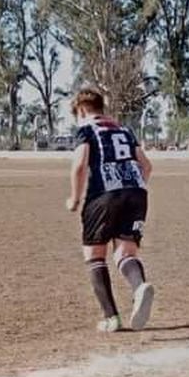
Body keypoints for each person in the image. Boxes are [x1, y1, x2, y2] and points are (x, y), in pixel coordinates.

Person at [65, 87, 155, 333]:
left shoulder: (86, 130)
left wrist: (74, 198)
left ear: (82, 110)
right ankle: (139, 288)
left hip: (103, 193)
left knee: (94, 255)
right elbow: (146, 165)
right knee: (126, 253)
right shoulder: (125, 130)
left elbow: (80, 165)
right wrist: (133, 188)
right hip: (136, 191)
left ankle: (111, 318)